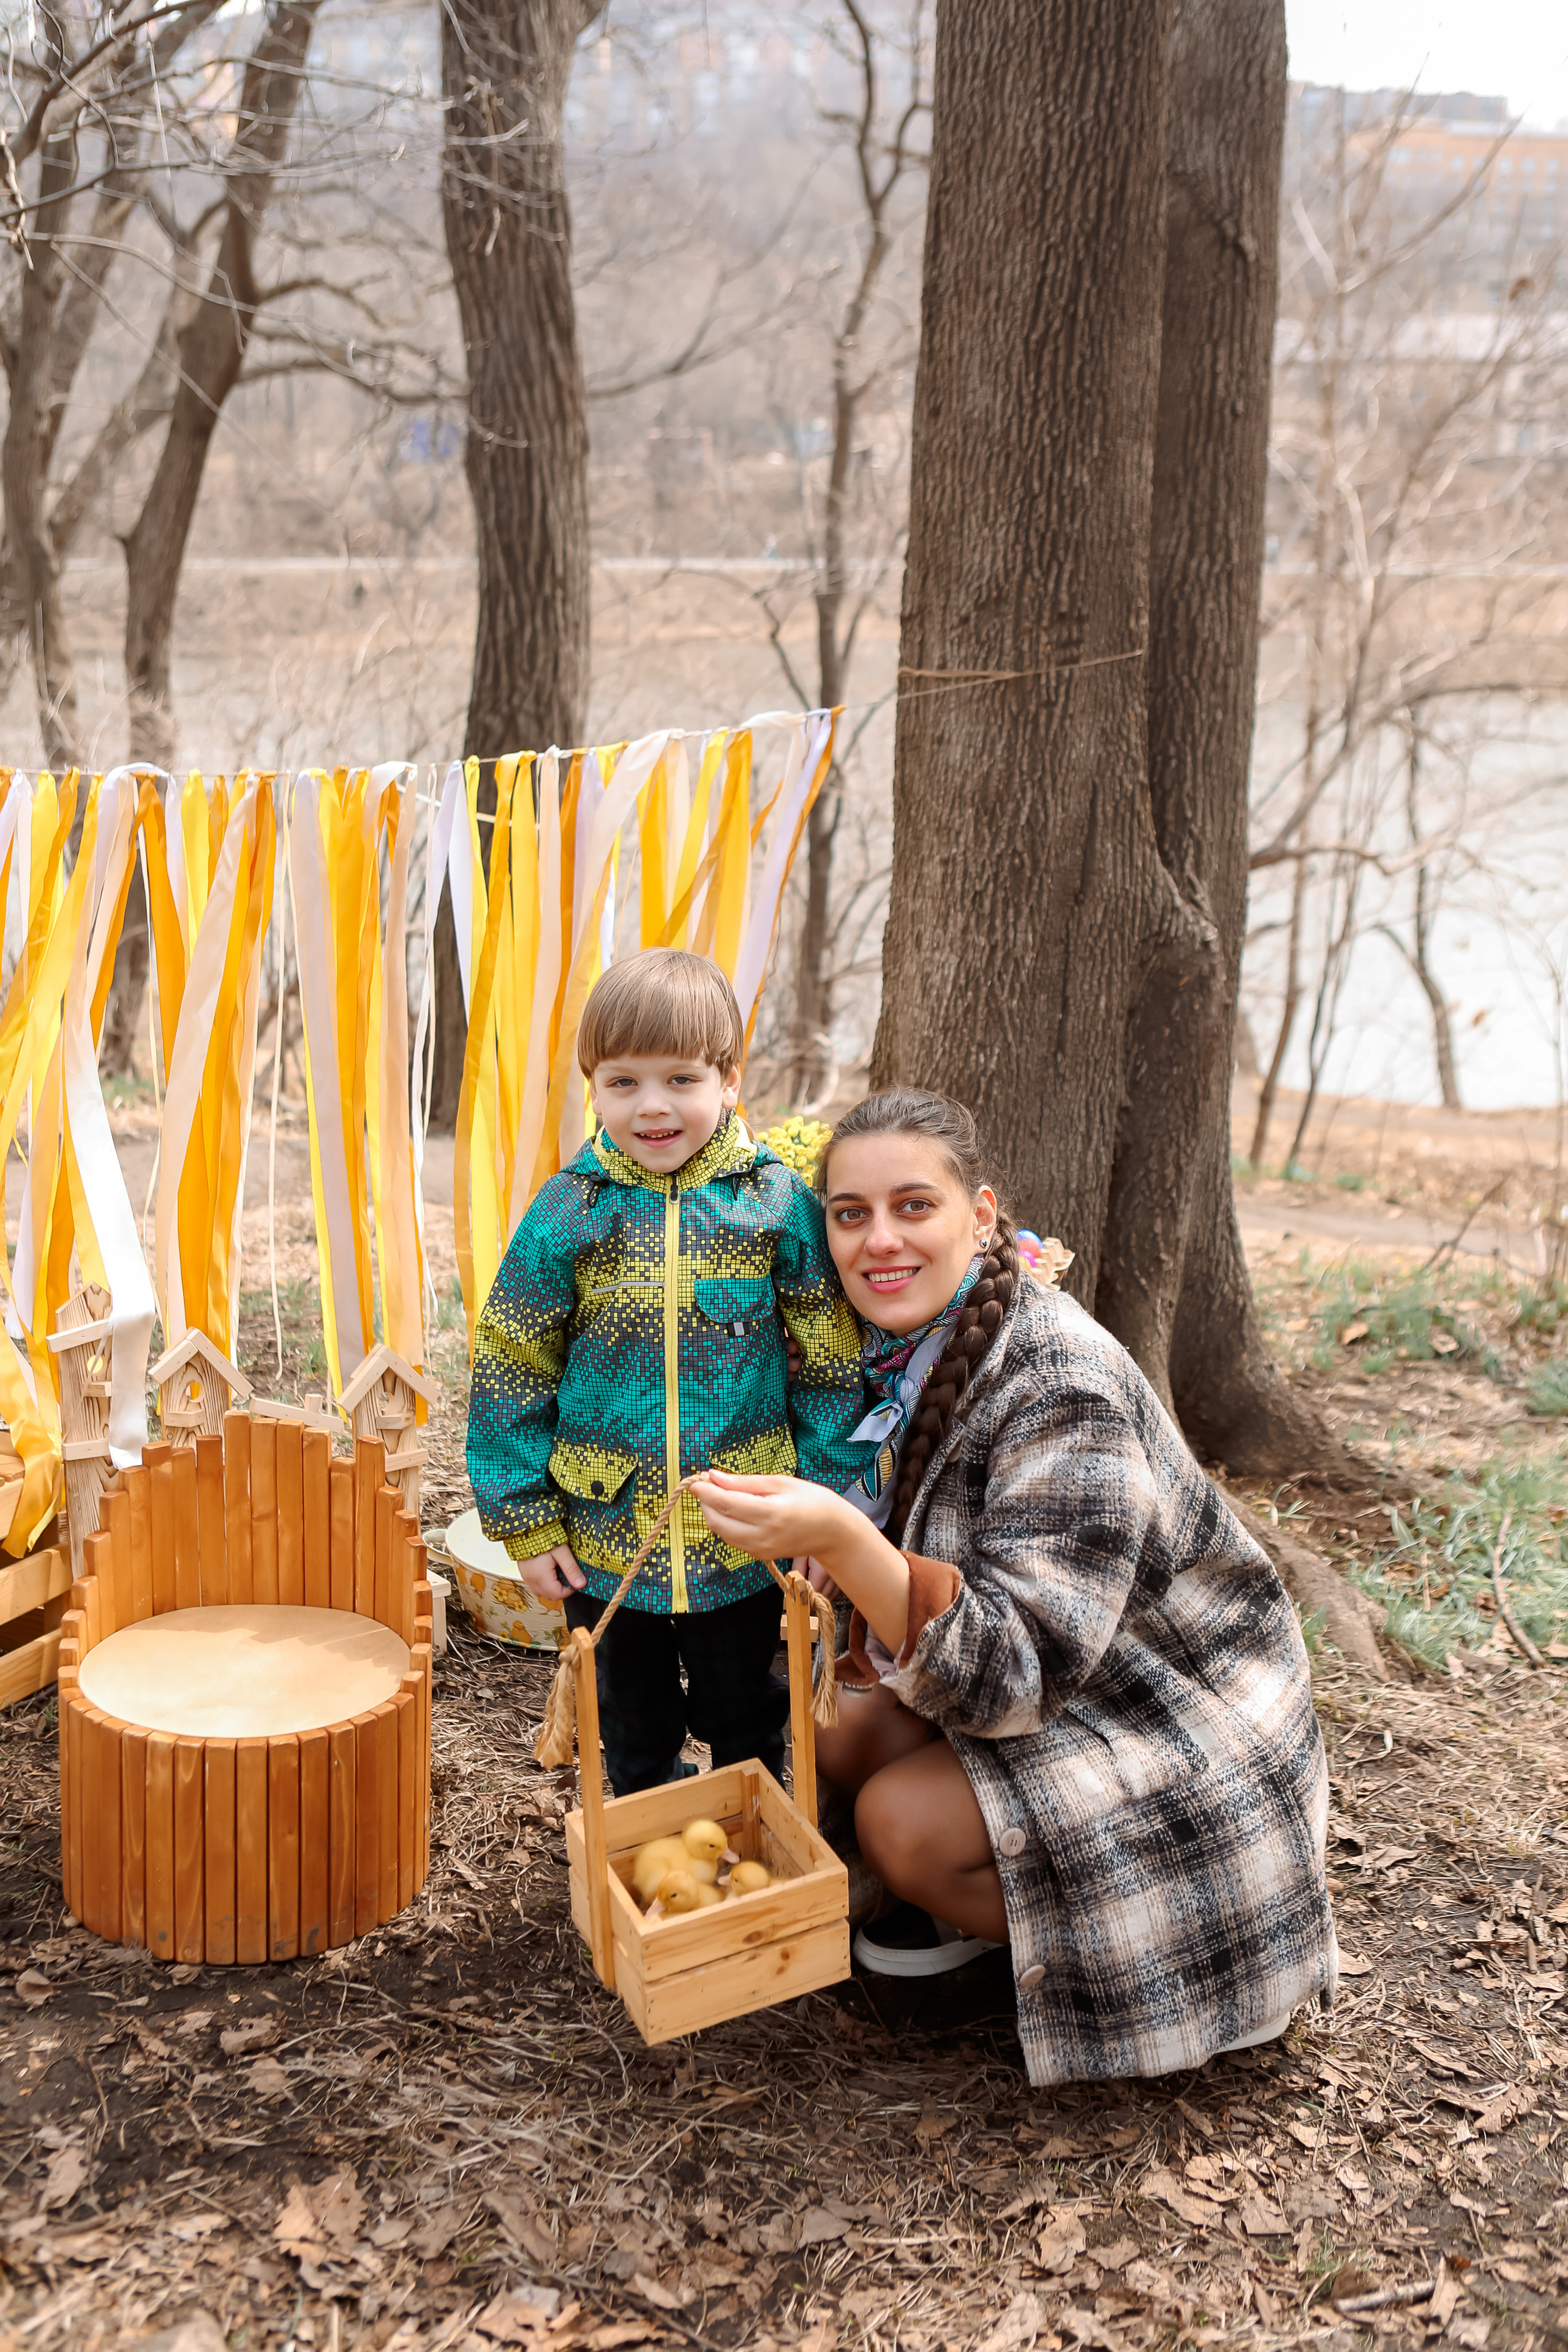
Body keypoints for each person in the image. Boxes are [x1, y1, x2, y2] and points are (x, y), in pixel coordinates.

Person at [693, 1088, 1338, 2087]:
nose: (879, 1240)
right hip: (1060, 1681)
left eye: (914, 1206)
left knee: (900, 1823)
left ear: (981, 1215)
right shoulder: (889, 1352)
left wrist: (839, 1535)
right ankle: (985, 1898)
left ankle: (1149, 1963)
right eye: (851, 1214)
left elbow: (1015, 1675)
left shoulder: (1063, 1381)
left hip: (1169, 1716)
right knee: (834, 1722)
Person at [466, 949, 869, 1797]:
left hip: (744, 1537)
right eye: (623, 1083)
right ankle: (645, 1837)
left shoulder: (774, 1205)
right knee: (630, 1720)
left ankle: (747, 1832)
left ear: (728, 1081)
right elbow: (512, 1363)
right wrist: (527, 1523)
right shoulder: (569, 1211)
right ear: (594, 1088)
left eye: (681, 1079)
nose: (652, 1106)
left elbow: (831, 1365)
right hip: (605, 1538)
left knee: (747, 1711)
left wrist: (823, 1506)